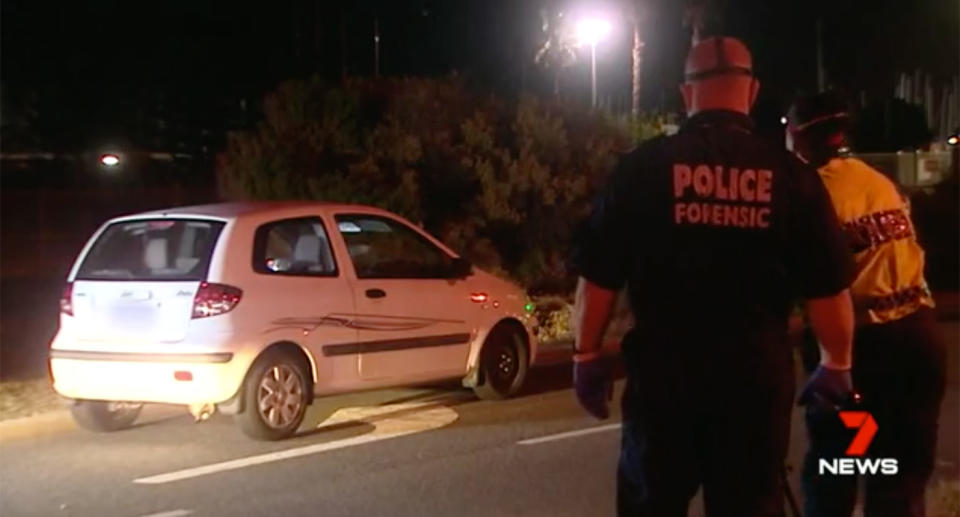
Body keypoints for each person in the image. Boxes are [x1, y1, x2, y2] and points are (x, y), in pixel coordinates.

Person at [570, 36, 857, 516]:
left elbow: (597, 279)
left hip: (663, 386)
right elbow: (828, 289)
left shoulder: (640, 169)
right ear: (752, 92)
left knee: (651, 504)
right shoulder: (791, 178)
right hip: (753, 387)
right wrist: (837, 363)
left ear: (687, 95)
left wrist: (585, 354)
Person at [787, 91, 947, 517]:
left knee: (838, 471)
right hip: (917, 345)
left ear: (798, 137)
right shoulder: (879, 183)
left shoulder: (809, 193)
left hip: (862, 360)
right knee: (898, 478)